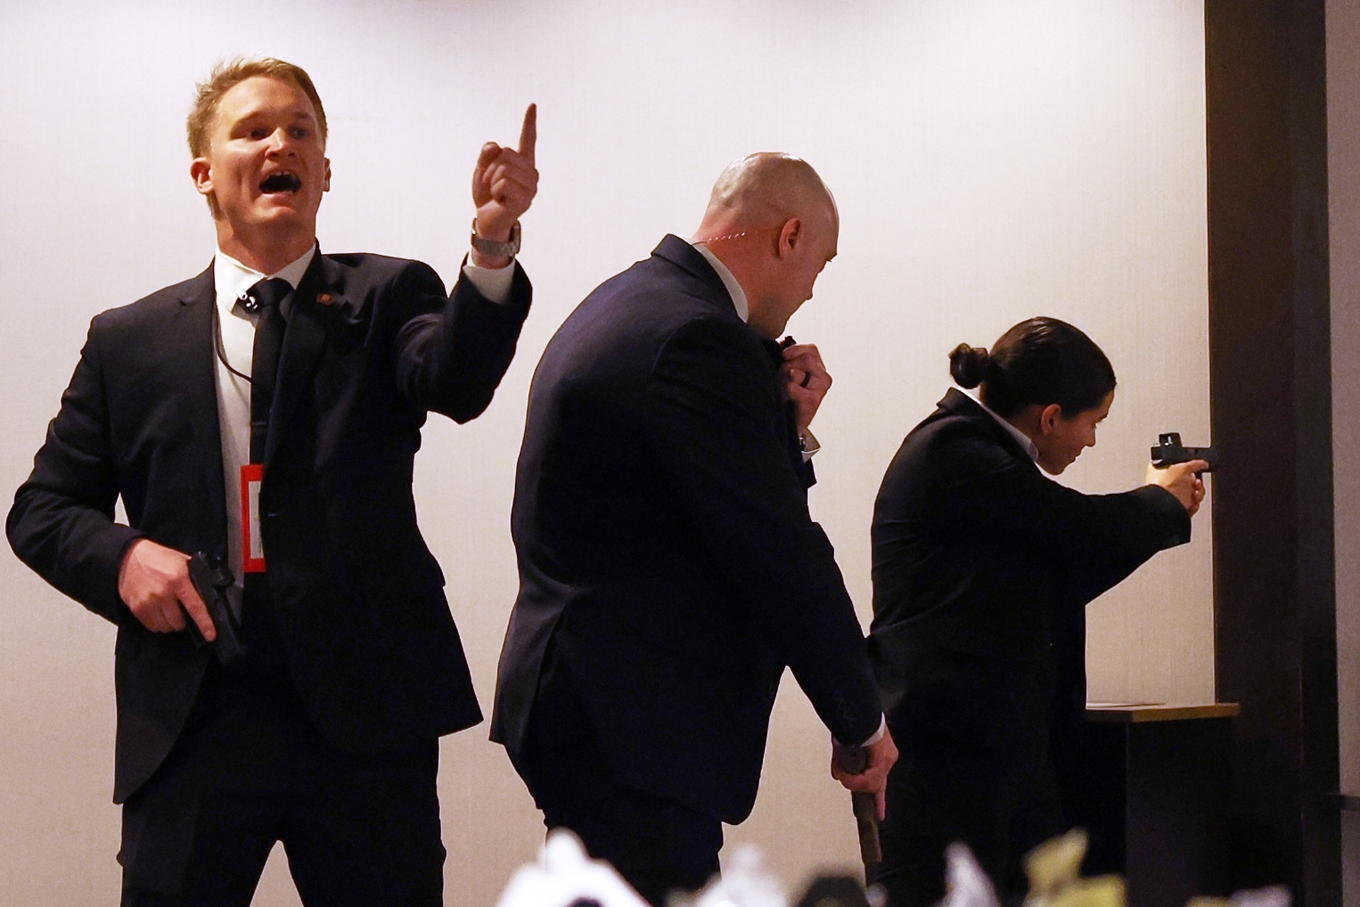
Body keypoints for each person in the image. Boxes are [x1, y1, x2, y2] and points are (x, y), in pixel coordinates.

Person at [6, 57, 537, 906]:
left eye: (300, 130)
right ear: (204, 174)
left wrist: (492, 244)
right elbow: (40, 510)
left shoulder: (387, 294)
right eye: (253, 130)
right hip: (194, 707)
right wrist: (124, 557)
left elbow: (456, 380)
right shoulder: (128, 341)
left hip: (362, 709)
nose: (280, 142)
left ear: (324, 171)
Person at [490, 152, 897, 905]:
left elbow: (695, 501)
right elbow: (776, 547)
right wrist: (863, 717)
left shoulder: (631, 299)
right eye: (821, 263)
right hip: (631, 718)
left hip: (586, 702)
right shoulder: (699, 340)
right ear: (790, 234)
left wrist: (787, 432)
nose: (812, 288)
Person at [867, 317, 1206, 906]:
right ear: (1051, 416)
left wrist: (1163, 513)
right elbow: (1077, 527)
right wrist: (1161, 501)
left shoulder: (976, 454)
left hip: (982, 757)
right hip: (948, 762)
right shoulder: (959, 453)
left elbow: (1059, 571)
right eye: (1092, 424)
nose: (1090, 442)